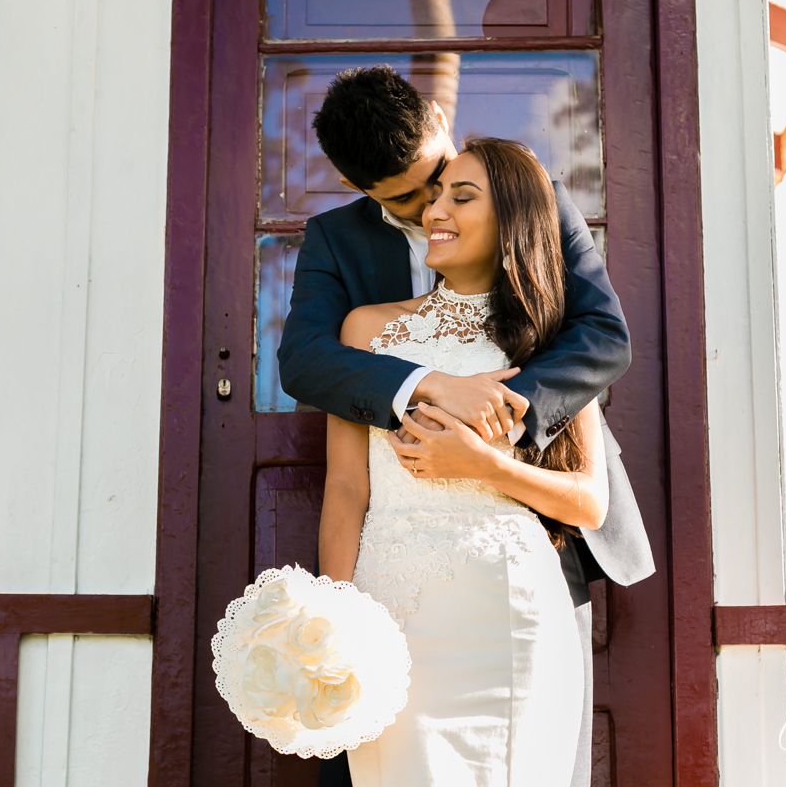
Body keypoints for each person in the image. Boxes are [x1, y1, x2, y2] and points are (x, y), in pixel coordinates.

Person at [277, 66, 655, 787]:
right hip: (395, 561)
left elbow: (602, 337)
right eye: (409, 198)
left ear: (442, 128)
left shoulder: (533, 197)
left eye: (442, 180)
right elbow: (307, 361)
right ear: (365, 192)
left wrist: (498, 420)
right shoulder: (335, 246)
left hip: (538, 538)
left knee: (538, 758)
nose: (431, 209)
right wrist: (429, 384)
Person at [320, 138, 600, 785]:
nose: (433, 210)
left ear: (512, 220)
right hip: (393, 609)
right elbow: (344, 489)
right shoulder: (366, 330)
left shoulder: (554, 338)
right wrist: (334, 616)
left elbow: (588, 500)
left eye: (460, 196)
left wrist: (484, 465)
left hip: (513, 617)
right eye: (435, 195)